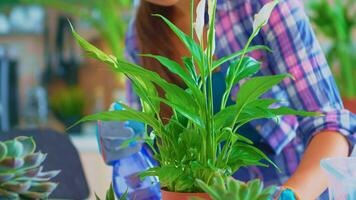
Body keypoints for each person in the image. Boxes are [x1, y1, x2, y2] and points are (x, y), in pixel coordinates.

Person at [123, 0, 356, 199]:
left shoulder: (257, 6)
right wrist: (124, 146)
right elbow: (145, 154)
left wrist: (289, 195)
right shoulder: (140, 33)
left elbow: (331, 127)